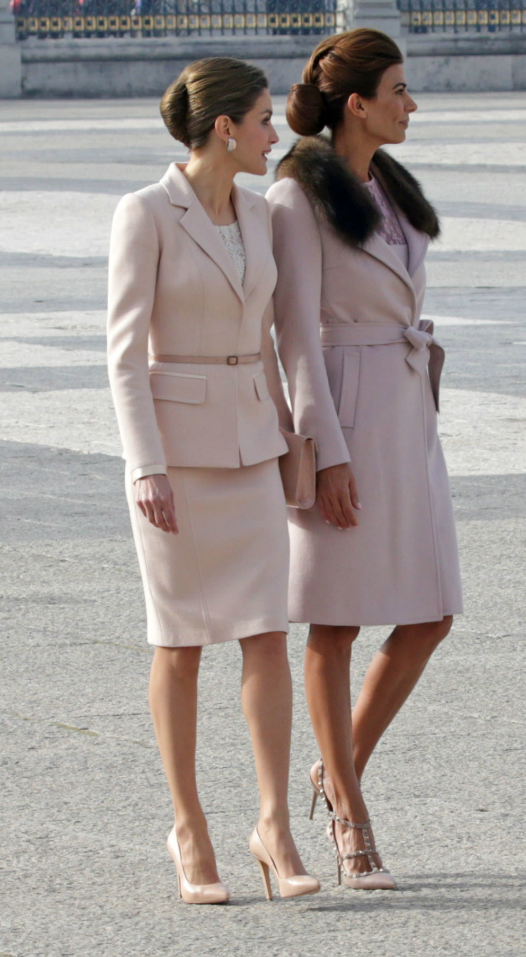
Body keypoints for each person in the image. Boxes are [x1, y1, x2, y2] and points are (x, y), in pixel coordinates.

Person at [106, 56, 321, 905]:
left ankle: (273, 823)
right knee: (181, 643)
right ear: (226, 128)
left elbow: (279, 336)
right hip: (176, 457)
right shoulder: (145, 212)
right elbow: (123, 353)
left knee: (269, 634)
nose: (277, 135)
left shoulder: (265, 214)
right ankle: (188, 825)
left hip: (254, 446)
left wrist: (294, 436)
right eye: (267, 120)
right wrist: (144, 464)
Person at [268, 27, 462, 890]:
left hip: (407, 409)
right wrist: (327, 451)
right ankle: (349, 809)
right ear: (358, 103)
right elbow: (295, 335)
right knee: (336, 619)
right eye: (398, 89)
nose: (410, 103)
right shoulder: (296, 196)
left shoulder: (386, 186)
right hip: (345, 410)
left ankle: (333, 766)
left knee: (430, 612)